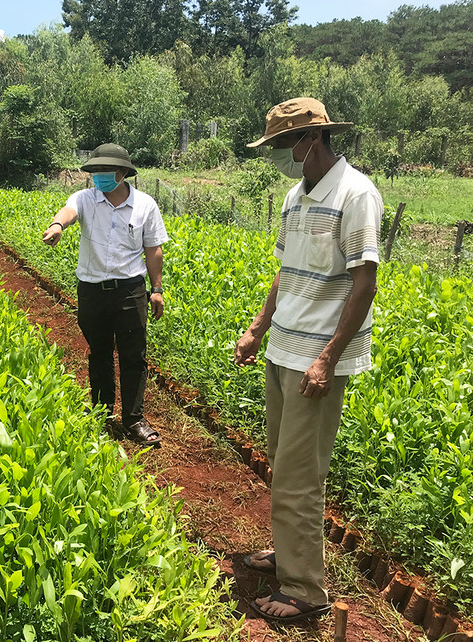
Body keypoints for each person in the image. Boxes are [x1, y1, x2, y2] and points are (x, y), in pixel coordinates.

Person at [234, 97, 382, 623]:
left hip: (315, 359)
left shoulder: (356, 194)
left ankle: (305, 592)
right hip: (282, 350)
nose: (277, 155)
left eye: (280, 145)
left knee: (300, 476)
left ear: (311, 141)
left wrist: (327, 358)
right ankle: (289, 553)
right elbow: (284, 273)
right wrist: (257, 329)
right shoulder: (296, 197)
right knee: (283, 463)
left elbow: (364, 283)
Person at [42, 143, 167, 446]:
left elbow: (154, 251)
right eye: (95, 171)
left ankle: (134, 420)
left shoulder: (145, 205)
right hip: (92, 290)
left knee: (133, 356)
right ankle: (102, 413)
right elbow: (68, 211)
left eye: (104, 171)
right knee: (99, 352)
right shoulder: (85, 198)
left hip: (130, 291)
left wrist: (157, 289)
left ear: (122, 172)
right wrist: (58, 225)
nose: (98, 176)